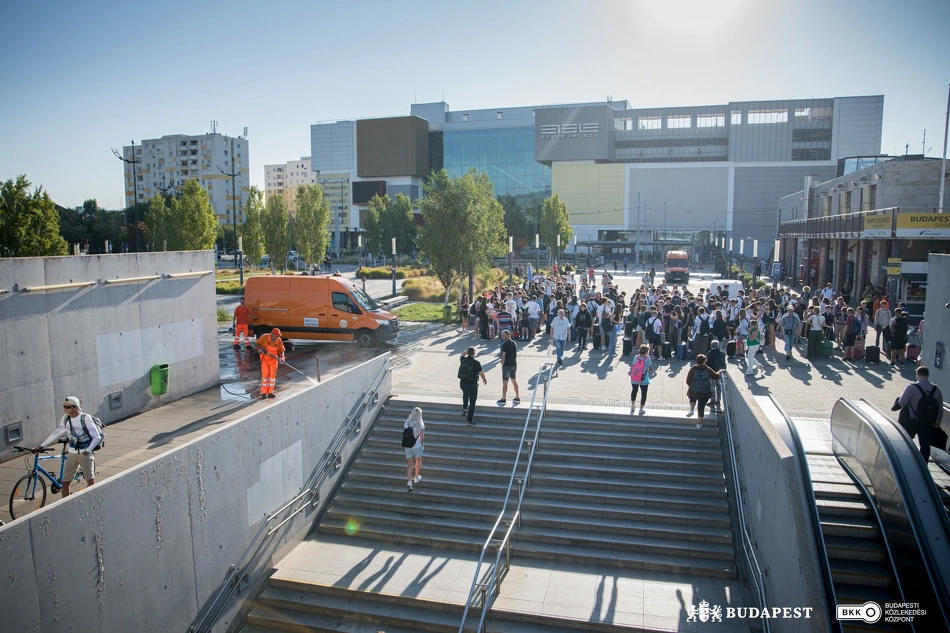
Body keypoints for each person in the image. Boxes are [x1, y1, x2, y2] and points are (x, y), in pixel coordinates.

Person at [33, 397, 100, 497]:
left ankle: (93, 500)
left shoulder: (85, 418)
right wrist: (42, 445)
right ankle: (65, 504)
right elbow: (56, 433)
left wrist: (88, 450)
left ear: (76, 407)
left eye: (68, 407)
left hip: (85, 453)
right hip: (72, 453)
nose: (65, 409)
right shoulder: (65, 418)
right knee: (65, 482)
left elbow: (97, 437)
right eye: (64, 407)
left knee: (90, 481)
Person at [893, 366, 944, 462]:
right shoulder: (936, 390)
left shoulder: (911, 387)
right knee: (925, 445)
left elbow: (902, 402)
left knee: (906, 441)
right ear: (927, 376)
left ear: (917, 374)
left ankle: (906, 461)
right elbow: (939, 408)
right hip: (928, 422)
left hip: (911, 421)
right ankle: (924, 465)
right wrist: (938, 421)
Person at [686, 354, 722, 429]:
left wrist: (692, 386)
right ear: (705, 361)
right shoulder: (707, 369)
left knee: (692, 398)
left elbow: (688, 381)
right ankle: (698, 424)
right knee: (701, 406)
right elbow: (716, 376)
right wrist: (720, 372)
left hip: (694, 391)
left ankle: (692, 409)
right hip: (705, 392)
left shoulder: (693, 369)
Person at [459, 347, 487, 425]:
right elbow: (481, 373)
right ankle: (469, 420)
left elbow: (462, 354)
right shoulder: (476, 362)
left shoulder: (463, 360)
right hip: (472, 384)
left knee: (465, 393)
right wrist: (484, 379)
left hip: (463, 383)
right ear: (474, 353)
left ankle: (465, 408)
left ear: (468, 353)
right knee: (472, 402)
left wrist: (466, 351)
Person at [256, 327, 286, 399]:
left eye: (278, 336)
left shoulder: (278, 340)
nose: (277, 337)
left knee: (272, 377)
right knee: (265, 375)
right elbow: (257, 344)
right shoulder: (264, 337)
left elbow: (281, 350)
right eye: (276, 335)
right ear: (272, 334)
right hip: (264, 359)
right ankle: (264, 393)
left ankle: (270, 392)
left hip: (273, 360)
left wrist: (282, 357)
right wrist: (259, 349)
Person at [629, 345, 656, 415]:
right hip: (643, 380)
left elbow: (633, 365)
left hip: (634, 378)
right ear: (646, 352)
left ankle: (633, 405)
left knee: (634, 391)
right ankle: (641, 408)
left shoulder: (636, 357)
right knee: (643, 393)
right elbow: (651, 369)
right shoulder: (647, 359)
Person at [402, 407, 425, 491]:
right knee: (418, 460)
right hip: (417, 445)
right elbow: (422, 437)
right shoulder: (420, 423)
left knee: (409, 464)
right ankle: (416, 476)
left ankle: (409, 481)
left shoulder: (407, 422)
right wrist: (421, 443)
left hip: (408, 446)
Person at [497, 330, 521, 405]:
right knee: (514, 381)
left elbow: (503, 356)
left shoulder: (505, 344)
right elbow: (516, 354)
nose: (502, 337)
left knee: (505, 383)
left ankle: (504, 399)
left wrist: (502, 364)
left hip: (507, 365)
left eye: (503, 335)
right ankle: (517, 397)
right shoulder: (514, 343)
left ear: (506, 336)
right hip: (513, 364)